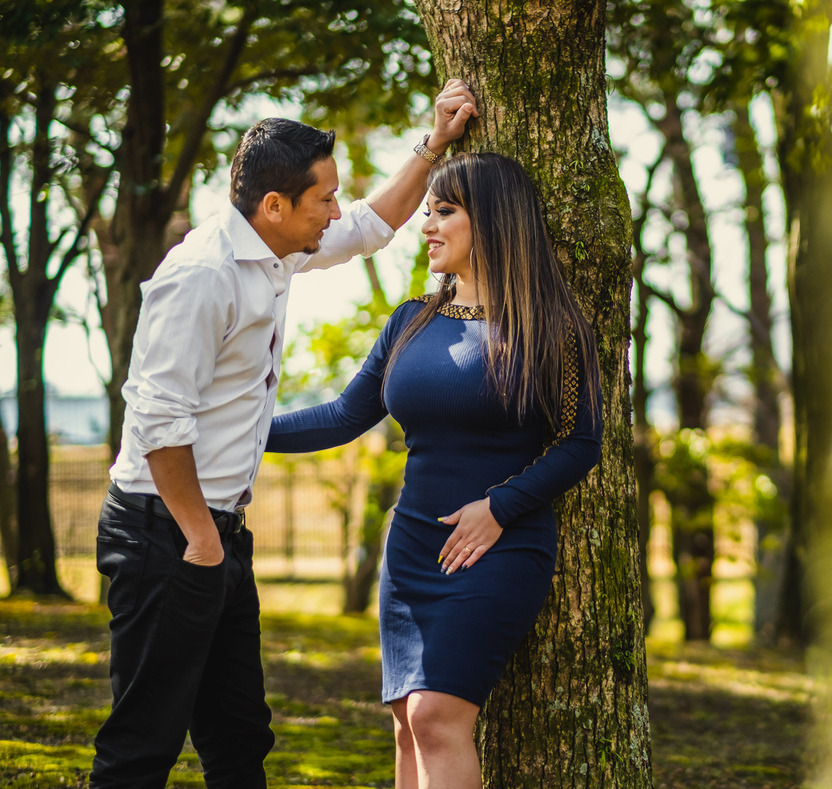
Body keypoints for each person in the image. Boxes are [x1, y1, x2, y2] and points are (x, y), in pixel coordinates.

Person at [89, 79, 478, 789]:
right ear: (274, 206)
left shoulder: (276, 251)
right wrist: (201, 541)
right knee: (143, 741)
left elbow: (371, 225)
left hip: (216, 534)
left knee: (239, 736)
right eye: (323, 198)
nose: (335, 209)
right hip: (163, 532)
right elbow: (156, 421)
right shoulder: (201, 276)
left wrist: (433, 146)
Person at [266, 151, 603, 788]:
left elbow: (582, 442)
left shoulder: (550, 325)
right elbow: (343, 416)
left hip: (495, 548)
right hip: (414, 544)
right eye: (427, 212)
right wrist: (239, 435)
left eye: (444, 212)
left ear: (496, 221)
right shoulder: (410, 321)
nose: (427, 226)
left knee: (436, 714)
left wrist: (499, 507)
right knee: (407, 721)